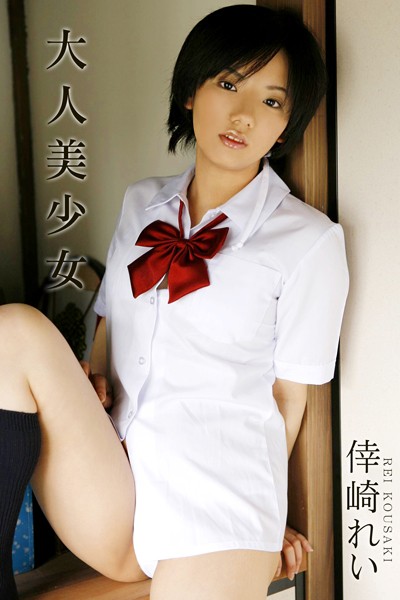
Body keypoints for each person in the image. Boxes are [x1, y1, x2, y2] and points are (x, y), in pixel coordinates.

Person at [0, 5, 348, 599]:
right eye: (228, 84)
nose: (243, 114)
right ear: (191, 92)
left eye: (271, 100)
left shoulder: (310, 241)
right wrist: (92, 386)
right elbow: (110, 326)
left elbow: (290, 400)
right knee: (14, 330)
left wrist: (275, 519)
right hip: (118, 488)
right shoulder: (142, 203)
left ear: (285, 126)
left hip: (221, 505)